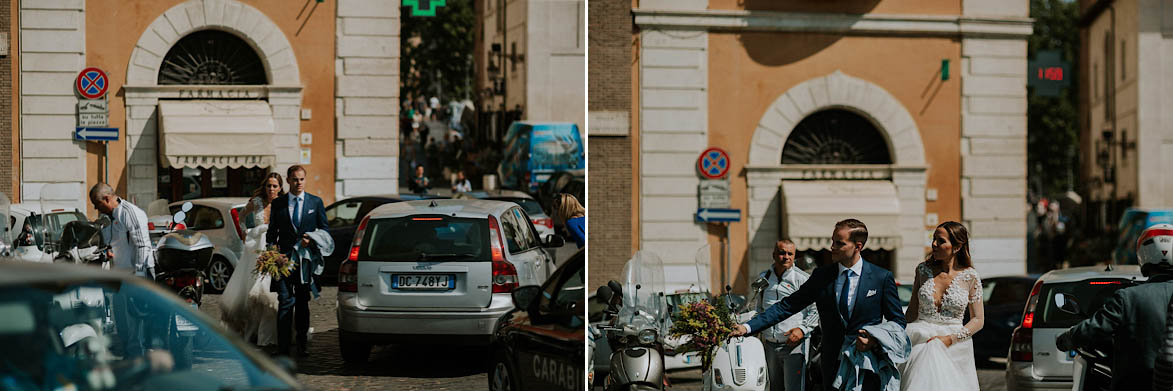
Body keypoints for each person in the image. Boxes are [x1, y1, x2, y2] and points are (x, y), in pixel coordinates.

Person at [733, 219, 907, 391]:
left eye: (839, 243)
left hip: (867, 363)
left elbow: (898, 322)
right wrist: (748, 327)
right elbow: (787, 306)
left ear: (858, 246)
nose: (832, 247)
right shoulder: (821, 276)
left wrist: (873, 340)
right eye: (832, 241)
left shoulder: (881, 278)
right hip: (832, 362)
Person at [1055, 223, 1173, 390]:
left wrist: (1066, 339)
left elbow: (1094, 328)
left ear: (1143, 255)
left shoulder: (1128, 297)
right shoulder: (1128, 297)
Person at [896, 221, 983, 391]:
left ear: (957, 247)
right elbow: (912, 312)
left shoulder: (970, 276)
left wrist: (950, 340)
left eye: (940, 241)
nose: (934, 244)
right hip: (920, 341)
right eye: (934, 239)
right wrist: (896, 335)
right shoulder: (922, 270)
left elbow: (978, 319)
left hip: (955, 346)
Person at [266, 165, 328, 356]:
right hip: (283, 262)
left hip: (305, 263)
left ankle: (302, 345)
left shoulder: (315, 203)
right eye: (295, 179)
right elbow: (271, 235)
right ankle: (283, 348)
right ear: (288, 180)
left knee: (302, 302)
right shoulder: (278, 204)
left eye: (301, 179)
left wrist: (310, 239)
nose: (298, 183)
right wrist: (273, 255)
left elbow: (324, 230)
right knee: (284, 301)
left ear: (305, 180)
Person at [89, 183, 157, 358]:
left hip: (134, 276)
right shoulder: (110, 218)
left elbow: (142, 245)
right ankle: (130, 355)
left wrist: (139, 277)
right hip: (120, 276)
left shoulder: (130, 213)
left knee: (134, 323)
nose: (96, 208)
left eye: (97, 204)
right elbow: (117, 242)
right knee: (123, 322)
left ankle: (137, 359)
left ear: (107, 198)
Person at [220, 172, 284, 348]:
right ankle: (252, 333)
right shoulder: (256, 202)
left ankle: (270, 336)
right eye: (268, 185)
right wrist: (243, 233)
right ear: (265, 187)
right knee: (252, 294)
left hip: (274, 249)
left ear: (280, 188)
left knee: (270, 294)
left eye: (274, 186)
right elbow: (240, 216)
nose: (271, 189)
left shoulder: (283, 203)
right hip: (255, 251)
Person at [756, 239, 819, 391]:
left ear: (795, 256)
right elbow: (759, 307)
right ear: (774, 255)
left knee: (794, 388)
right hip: (770, 344)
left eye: (790, 254)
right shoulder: (764, 278)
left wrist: (802, 330)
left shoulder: (803, 278)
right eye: (782, 253)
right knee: (774, 387)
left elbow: (816, 309)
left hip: (794, 345)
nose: (786, 257)